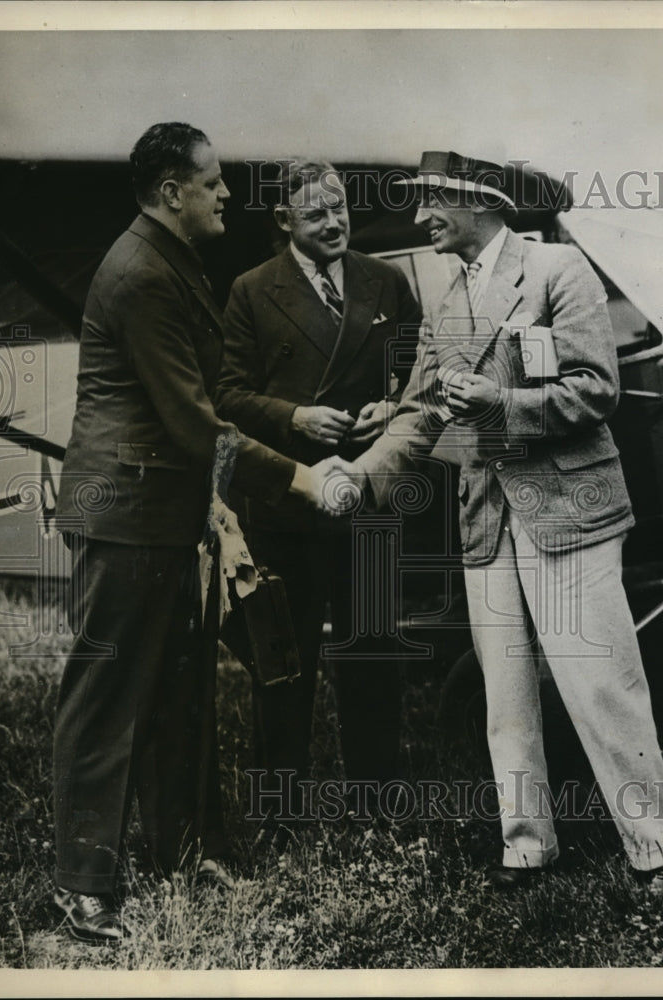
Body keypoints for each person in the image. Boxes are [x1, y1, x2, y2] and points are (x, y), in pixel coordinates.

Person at [344, 150, 663, 895]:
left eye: (430, 200)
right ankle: (527, 847)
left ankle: (656, 851)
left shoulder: (557, 269)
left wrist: (500, 404)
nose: (419, 217)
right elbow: (421, 411)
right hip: (486, 519)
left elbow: (596, 388)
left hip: (567, 510)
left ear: (476, 200)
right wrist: (365, 465)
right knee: (504, 694)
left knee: (599, 683)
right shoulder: (446, 297)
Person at [52, 123, 328, 942]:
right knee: (106, 697)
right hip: (125, 516)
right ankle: (82, 884)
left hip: (161, 512)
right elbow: (191, 421)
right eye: (212, 183)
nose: (227, 194)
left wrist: (214, 506)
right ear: (172, 193)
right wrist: (301, 477)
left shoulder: (168, 260)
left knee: (180, 686)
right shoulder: (142, 273)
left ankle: (186, 850)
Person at [218, 158, 422, 831]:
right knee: (283, 662)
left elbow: (418, 374)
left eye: (340, 208)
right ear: (283, 220)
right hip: (287, 503)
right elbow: (226, 395)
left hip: (368, 496)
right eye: (315, 214)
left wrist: (389, 409)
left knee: (374, 651)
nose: (334, 223)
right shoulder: (251, 290)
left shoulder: (386, 280)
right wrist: (294, 418)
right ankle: (281, 813)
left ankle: (377, 801)